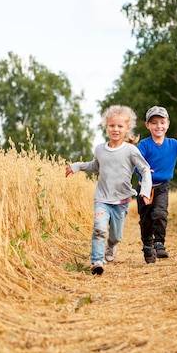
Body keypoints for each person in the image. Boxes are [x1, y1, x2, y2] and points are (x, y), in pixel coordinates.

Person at [66, 105, 152, 275]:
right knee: (99, 229)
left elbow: (145, 169)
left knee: (116, 235)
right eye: (112, 125)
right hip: (102, 198)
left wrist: (145, 191)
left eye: (120, 126)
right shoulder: (100, 149)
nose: (115, 129)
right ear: (106, 126)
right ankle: (97, 261)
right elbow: (95, 166)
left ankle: (111, 246)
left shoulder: (131, 150)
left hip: (121, 201)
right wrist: (77, 166)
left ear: (127, 128)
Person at [136, 105, 177, 263]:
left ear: (168, 124)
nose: (159, 126)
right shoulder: (144, 145)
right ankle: (148, 247)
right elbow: (136, 162)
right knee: (146, 219)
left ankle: (159, 244)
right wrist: (144, 171)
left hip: (162, 186)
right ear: (147, 125)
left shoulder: (173, 144)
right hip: (145, 187)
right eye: (154, 123)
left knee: (161, 213)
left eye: (162, 122)